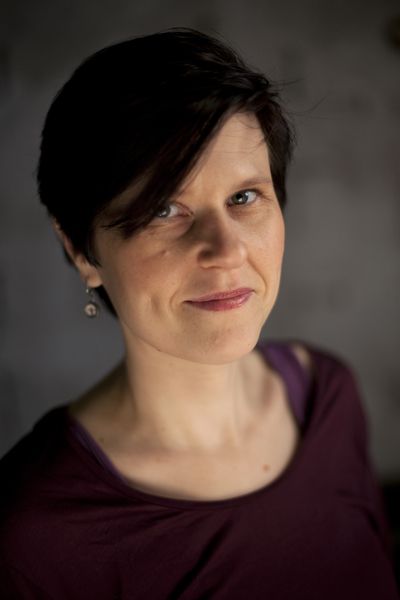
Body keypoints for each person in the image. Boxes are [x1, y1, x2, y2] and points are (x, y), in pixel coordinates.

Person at [0, 28, 398, 599]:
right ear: (81, 251)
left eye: (244, 198)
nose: (227, 251)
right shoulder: (34, 536)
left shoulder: (328, 396)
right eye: (165, 209)